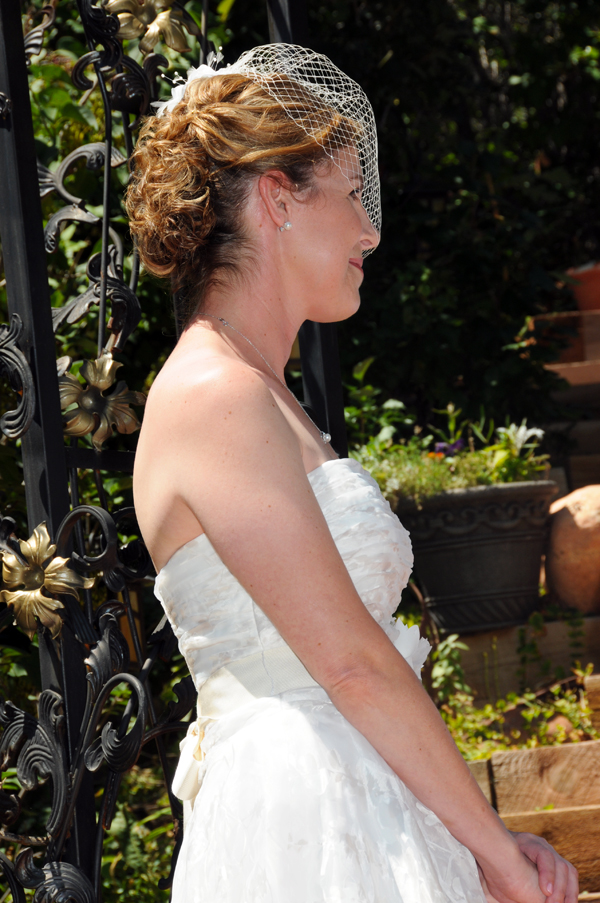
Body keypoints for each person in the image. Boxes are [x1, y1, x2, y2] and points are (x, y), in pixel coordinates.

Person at [128, 44, 578, 903]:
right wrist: (498, 852)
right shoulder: (214, 393)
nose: (371, 228)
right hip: (302, 822)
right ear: (277, 198)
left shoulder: (266, 395)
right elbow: (351, 663)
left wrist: (474, 841)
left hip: (371, 801)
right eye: (351, 193)